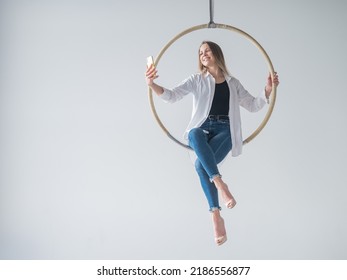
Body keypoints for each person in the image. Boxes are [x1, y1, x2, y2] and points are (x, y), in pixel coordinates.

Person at [145, 41, 279, 246]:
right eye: (199, 52)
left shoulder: (233, 83)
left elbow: (252, 105)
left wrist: (267, 89)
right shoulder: (196, 80)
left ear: (217, 53)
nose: (203, 54)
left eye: (206, 50)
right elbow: (172, 96)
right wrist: (151, 84)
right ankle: (219, 189)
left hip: (225, 130)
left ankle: (215, 212)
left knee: (201, 165)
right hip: (203, 129)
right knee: (194, 133)